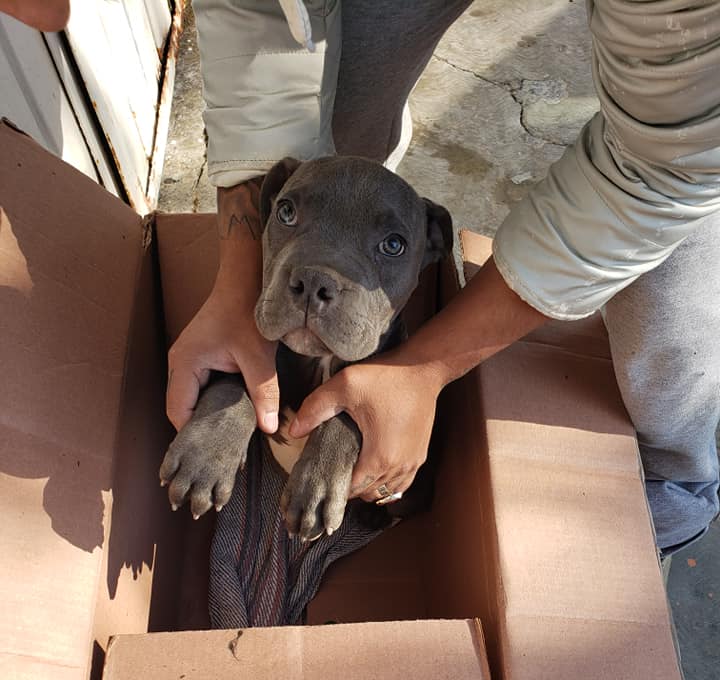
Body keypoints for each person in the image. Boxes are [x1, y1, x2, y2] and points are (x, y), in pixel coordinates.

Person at [167, 0, 720, 562]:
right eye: (287, 212)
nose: (319, 280)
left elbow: (667, 170)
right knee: (334, 118)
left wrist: (424, 371)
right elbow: (260, 21)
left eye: (392, 245)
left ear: (433, 247)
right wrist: (238, 291)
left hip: (687, 97)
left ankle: (674, 483)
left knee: (671, 312)